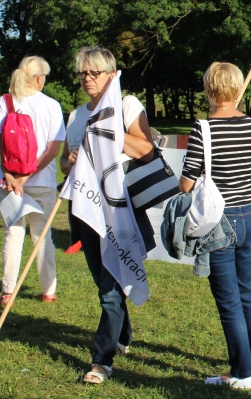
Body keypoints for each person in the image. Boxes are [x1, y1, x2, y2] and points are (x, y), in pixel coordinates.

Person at [59, 47, 155, 385]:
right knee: (104, 282)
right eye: (82, 73)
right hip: (85, 212)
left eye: (94, 72)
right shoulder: (75, 116)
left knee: (109, 291)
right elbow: (63, 163)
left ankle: (101, 361)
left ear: (111, 75)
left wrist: (108, 134)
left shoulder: (127, 106)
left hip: (118, 213)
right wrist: (71, 160)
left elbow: (146, 150)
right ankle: (123, 334)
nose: (87, 78)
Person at [180, 62, 251, 390]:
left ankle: (242, 373)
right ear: (238, 89)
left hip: (220, 221)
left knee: (228, 298)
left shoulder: (203, 129)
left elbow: (186, 184)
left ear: (209, 90)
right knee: (247, 288)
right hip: (249, 215)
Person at [0, 56, 66, 306]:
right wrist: (26, 177)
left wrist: (11, 176)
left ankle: (8, 291)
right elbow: (53, 150)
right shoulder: (52, 105)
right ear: (39, 78)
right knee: (42, 237)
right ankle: (49, 291)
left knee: (13, 235)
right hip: (42, 181)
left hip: (8, 181)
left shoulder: (5, 101)